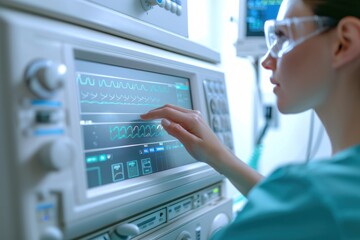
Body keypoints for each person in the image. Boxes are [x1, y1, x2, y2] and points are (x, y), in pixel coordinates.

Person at [141, 0, 360, 239]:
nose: (267, 60)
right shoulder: (332, 193)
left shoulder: (313, 194)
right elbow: (301, 210)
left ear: (344, 43)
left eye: (282, 36)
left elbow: (309, 206)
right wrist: (221, 157)